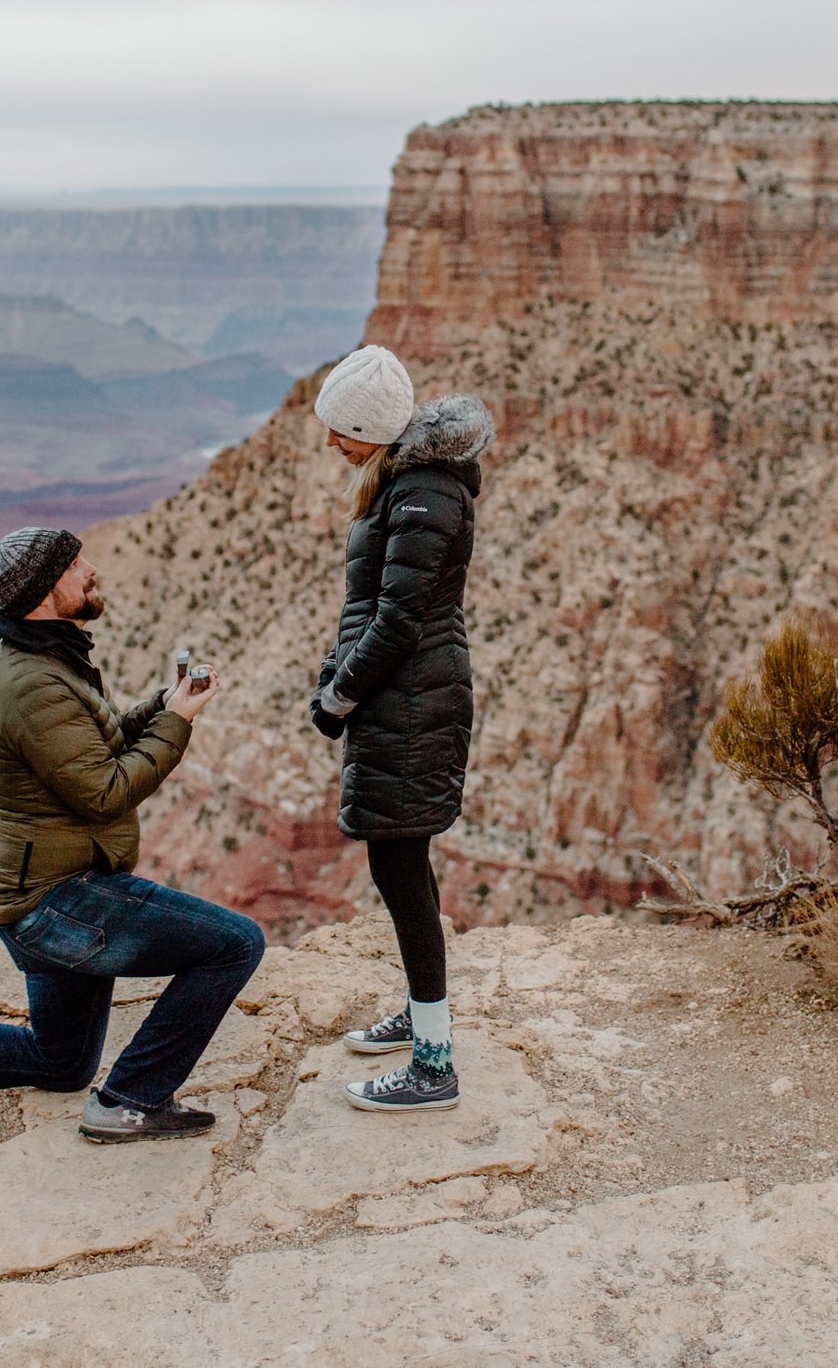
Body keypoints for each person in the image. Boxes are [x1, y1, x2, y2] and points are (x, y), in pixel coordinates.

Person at [0, 527, 266, 1143]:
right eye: (74, 563)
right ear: (43, 588)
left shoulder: (49, 655)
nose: (91, 569)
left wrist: (162, 703)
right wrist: (177, 723)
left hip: (51, 888)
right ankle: (129, 1101)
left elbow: (100, 737)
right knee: (236, 944)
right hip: (56, 902)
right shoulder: (32, 682)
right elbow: (106, 790)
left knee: (60, 1063)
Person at [307, 344, 493, 1112]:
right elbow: (371, 610)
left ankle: (433, 1066)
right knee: (400, 868)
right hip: (401, 701)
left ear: (375, 428)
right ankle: (423, 1021)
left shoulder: (424, 492)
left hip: (412, 702)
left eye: (341, 429)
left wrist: (337, 697)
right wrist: (335, 675)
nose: (332, 443)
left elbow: (396, 621)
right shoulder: (402, 483)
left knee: (401, 871)